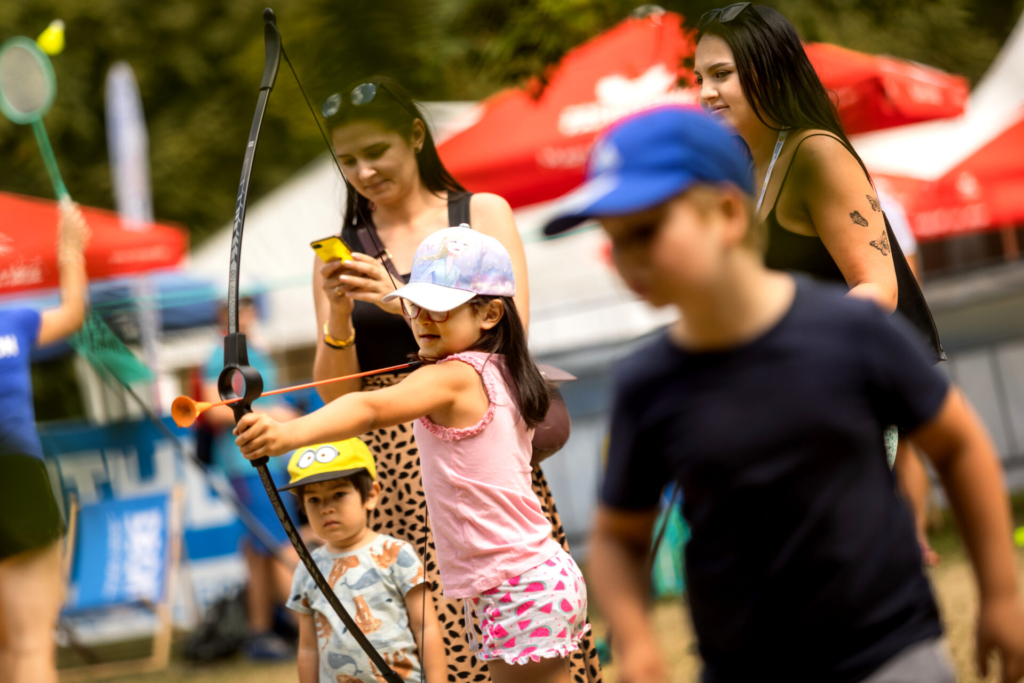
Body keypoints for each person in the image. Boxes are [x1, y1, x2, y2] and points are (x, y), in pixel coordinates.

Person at [543, 106, 1024, 682]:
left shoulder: (854, 333)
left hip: (892, 654)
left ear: (726, 213)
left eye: (647, 230)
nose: (628, 259)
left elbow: (960, 446)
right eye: (615, 241)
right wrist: (638, 639)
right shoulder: (647, 385)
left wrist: (999, 593)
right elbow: (620, 538)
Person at [311, 76, 601, 681]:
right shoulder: (339, 252)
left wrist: (405, 302)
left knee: (523, 636)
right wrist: (340, 314)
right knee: (427, 638)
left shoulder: (480, 212)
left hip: (481, 449)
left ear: (415, 136)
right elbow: (337, 396)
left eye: (376, 152)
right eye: (347, 161)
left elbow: (510, 329)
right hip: (393, 464)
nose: (364, 172)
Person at [237, 228, 591, 683]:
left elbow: (370, 406)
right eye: (415, 304)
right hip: (532, 576)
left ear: (489, 313)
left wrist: (285, 434)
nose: (422, 317)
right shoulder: (500, 367)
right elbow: (434, 324)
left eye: (438, 307)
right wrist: (400, 303)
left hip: (516, 583)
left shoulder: (454, 376)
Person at [693, 2, 944, 552]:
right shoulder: (739, 171)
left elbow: (878, 286)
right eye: (699, 79)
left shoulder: (815, 153)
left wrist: (789, 344)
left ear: (767, 67)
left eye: (721, 74)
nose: (706, 92)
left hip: (849, 395)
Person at [0, 201, 90, 683]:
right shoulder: (11, 321)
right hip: (14, 475)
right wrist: (69, 250)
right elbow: (73, 313)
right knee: (30, 646)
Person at [284, 437, 445, 682]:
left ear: (370, 495)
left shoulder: (396, 553)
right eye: (314, 499)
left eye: (338, 494)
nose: (326, 508)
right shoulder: (307, 567)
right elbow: (307, 647)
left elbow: (426, 628)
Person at [202, 296, 301, 659]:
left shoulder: (256, 350)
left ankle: (260, 634)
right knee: (279, 546)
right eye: (239, 312)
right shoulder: (219, 357)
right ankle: (308, 630)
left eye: (249, 311)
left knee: (260, 551)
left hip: (270, 461)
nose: (248, 318)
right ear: (225, 319)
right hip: (249, 464)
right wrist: (273, 411)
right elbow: (213, 414)